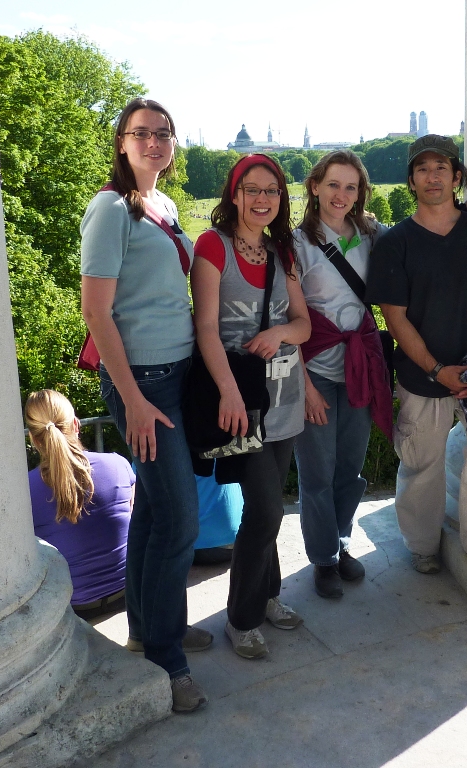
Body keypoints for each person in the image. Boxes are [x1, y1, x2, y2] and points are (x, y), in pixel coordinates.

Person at [80, 98, 208, 712]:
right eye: (141, 134)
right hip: (143, 383)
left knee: (157, 514)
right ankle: (167, 658)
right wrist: (130, 398)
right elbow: (95, 312)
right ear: (122, 143)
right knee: (181, 519)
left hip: (177, 372)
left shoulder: (163, 206)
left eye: (163, 133)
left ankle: (148, 629)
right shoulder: (110, 209)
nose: (154, 142)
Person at [366, 134, 467, 578]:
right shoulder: (395, 243)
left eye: (441, 168)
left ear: (457, 177)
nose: (432, 176)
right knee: (422, 463)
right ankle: (422, 545)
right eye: (422, 169)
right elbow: (394, 318)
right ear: (411, 181)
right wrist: (438, 369)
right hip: (421, 375)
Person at [191, 154, 310, 659]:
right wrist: (230, 393)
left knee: (271, 505)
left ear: (282, 199)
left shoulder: (283, 252)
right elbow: (206, 329)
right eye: (252, 189)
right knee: (263, 509)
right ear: (234, 194)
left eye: (272, 191)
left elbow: (303, 324)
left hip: (283, 395)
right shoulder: (212, 245)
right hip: (239, 394)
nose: (262, 199)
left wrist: (280, 331)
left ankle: (269, 595)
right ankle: (241, 619)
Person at [293, 151, 392, 599]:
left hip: (358, 366)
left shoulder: (370, 234)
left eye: (351, 187)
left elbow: (423, 236)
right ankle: (323, 559)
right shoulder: (296, 244)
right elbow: (283, 316)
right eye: (334, 185)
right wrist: (304, 387)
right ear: (316, 186)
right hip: (314, 369)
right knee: (316, 471)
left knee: (349, 468)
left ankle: (341, 541)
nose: (341, 195)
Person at [25, 389, 134, 619]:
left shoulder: (24, 492)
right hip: (131, 591)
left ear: (34, 440)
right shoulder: (118, 465)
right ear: (76, 424)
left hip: (77, 608)